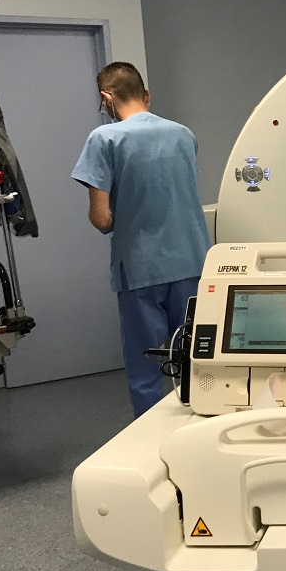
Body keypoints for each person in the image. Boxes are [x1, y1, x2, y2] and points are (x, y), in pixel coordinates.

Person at [72, 61, 211, 417]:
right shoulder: (184, 134)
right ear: (146, 95)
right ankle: (200, 429)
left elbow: (101, 218)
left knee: (145, 368)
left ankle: (150, 442)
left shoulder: (104, 139)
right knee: (195, 360)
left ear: (106, 99)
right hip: (193, 263)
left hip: (140, 270)